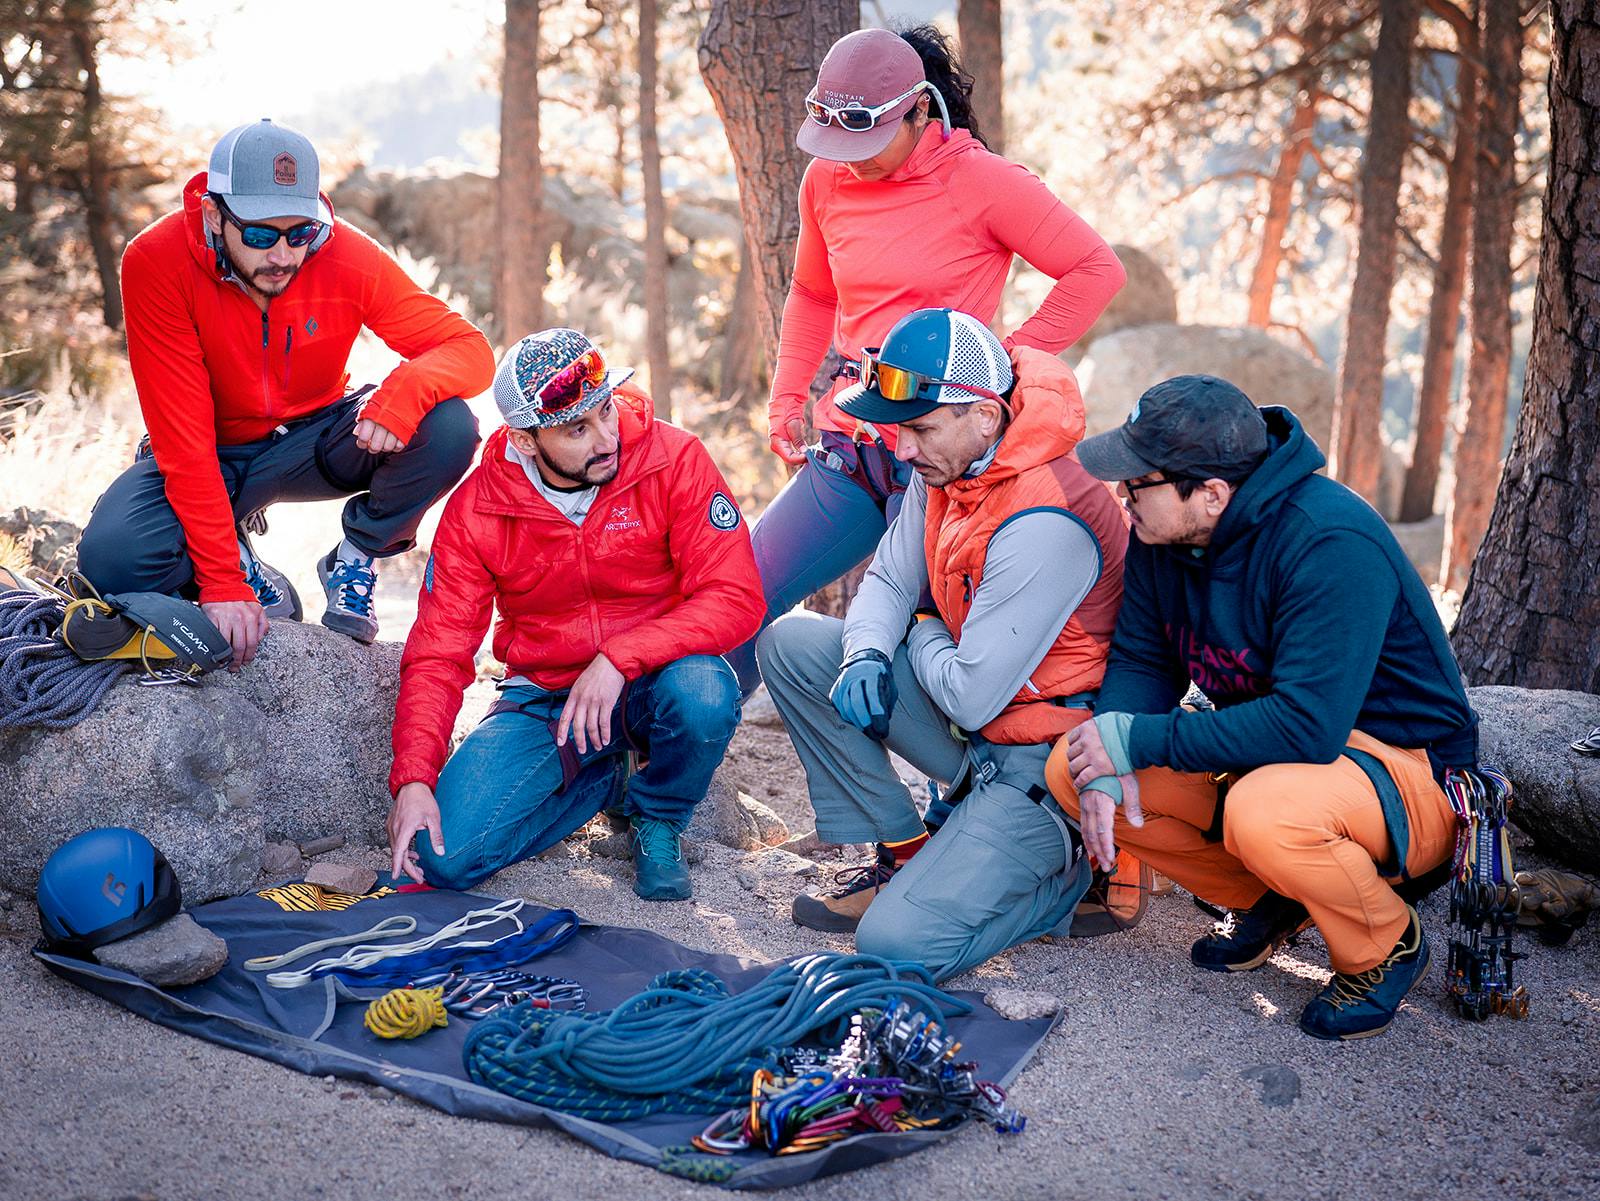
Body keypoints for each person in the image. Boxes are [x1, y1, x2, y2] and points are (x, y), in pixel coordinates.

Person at [1046, 375, 1481, 1040]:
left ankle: (1385, 938)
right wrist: (1111, 748)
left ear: (1212, 493)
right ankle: (1278, 898)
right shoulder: (1162, 533)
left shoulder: (1329, 541)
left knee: (1262, 812)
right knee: (1072, 768)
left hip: (1409, 775)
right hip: (1285, 758)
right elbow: (1143, 659)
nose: (1121, 495)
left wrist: (1140, 738)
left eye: (1138, 482)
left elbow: (1308, 724)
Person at [727, 24, 1126, 694]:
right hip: (852, 442)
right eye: (835, 141)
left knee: (929, 640)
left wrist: (995, 365)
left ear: (917, 110)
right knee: (739, 591)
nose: (847, 159)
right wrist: (787, 395)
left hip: (941, 457)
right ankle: (684, 764)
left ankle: (960, 792)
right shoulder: (826, 178)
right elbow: (813, 290)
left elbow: (1095, 269)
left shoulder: (984, 182)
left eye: (865, 140)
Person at [758, 308, 1128, 980]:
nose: (901, 448)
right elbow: (889, 580)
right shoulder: (949, 464)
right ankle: (906, 849)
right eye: (900, 429)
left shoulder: (1046, 513)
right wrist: (869, 651)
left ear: (983, 415)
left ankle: (1068, 882)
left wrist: (920, 626)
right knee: (792, 646)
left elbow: (972, 694)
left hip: (1042, 764)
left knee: (895, 945)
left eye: (919, 428)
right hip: (974, 731)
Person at [76, 119, 492, 666]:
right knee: (111, 563)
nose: (282, 255)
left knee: (449, 425)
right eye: (259, 235)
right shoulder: (155, 261)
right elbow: (184, 439)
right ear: (212, 213)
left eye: (300, 233)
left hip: (316, 439)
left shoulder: (345, 254)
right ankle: (238, 555)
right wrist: (222, 582)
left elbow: (469, 350)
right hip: (211, 451)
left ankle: (356, 556)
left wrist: (404, 391)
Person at [386, 328, 765, 901]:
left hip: (656, 678)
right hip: (545, 696)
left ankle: (657, 816)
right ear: (526, 439)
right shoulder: (476, 508)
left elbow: (736, 598)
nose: (607, 437)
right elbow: (439, 652)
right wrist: (413, 777)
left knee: (705, 693)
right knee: (442, 860)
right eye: (577, 429)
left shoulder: (675, 458)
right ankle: (607, 779)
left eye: (607, 409)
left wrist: (620, 658)